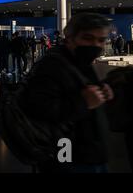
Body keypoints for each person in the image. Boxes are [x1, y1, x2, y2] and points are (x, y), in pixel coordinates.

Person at [21, 13, 115, 173]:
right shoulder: (52, 65)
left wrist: (102, 91)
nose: (95, 45)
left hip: (92, 153)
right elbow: (37, 109)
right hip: (67, 157)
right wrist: (84, 102)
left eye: (101, 40)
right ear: (70, 38)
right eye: (88, 38)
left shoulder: (81, 62)